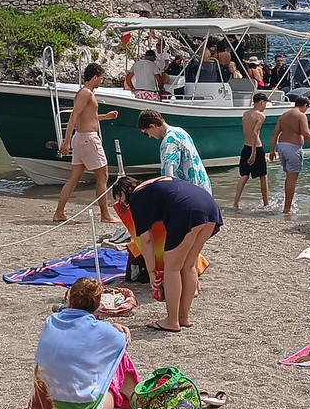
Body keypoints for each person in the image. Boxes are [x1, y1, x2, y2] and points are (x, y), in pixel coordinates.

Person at [22, 277, 138, 409]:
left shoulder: (51, 321)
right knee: (119, 359)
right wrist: (113, 327)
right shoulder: (104, 332)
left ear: (69, 299)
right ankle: (138, 400)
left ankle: (136, 400)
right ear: (98, 305)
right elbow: (121, 342)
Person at [111, 176, 222, 333]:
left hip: (186, 211)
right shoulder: (155, 183)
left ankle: (172, 320)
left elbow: (146, 240)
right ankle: (183, 318)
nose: (123, 206)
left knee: (172, 268)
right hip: (209, 206)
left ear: (123, 192)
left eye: (121, 202)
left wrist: (151, 272)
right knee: (189, 265)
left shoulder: (136, 197)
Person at [55, 63, 119, 223]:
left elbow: (87, 117)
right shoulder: (86, 93)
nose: (102, 81)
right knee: (103, 175)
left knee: (74, 177)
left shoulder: (84, 93)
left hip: (81, 138)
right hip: (87, 139)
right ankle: (105, 215)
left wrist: (106, 116)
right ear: (95, 76)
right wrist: (66, 141)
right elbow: (74, 116)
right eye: (101, 78)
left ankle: (59, 213)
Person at [270, 95, 310, 214]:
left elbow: (275, 134)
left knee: (288, 177)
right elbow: (306, 133)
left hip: (282, 147)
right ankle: (287, 208)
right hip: (293, 148)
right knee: (292, 179)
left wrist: (272, 150)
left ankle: (287, 204)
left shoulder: (284, 115)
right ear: (305, 105)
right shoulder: (301, 115)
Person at [137, 109, 211, 193]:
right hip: (203, 187)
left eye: (146, 133)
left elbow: (168, 176)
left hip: (190, 193)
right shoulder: (180, 131)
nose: (149, 136)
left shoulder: (169, 141)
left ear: (152, 126)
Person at [234, 93, 269, 209]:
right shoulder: (261, 116)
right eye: (265, 104)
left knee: (244, 175)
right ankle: (266, 203)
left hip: (245, 146)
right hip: (256, 148)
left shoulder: (246, 114)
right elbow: (254, 133)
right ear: (261, 102)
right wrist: (253, 154)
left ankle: (236, 203)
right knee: (263, 176)